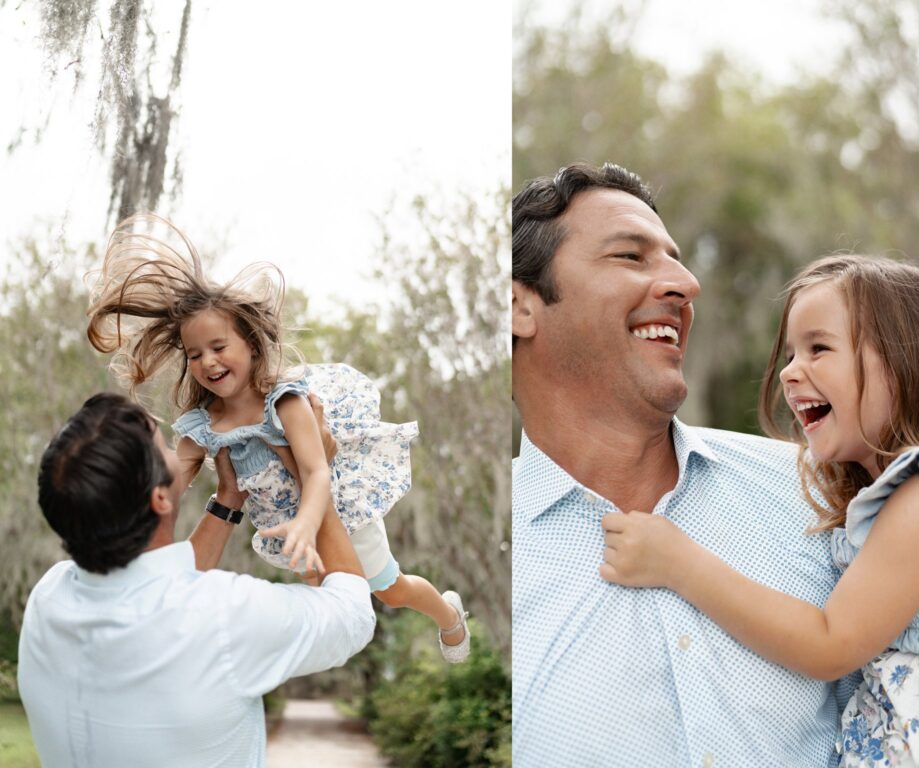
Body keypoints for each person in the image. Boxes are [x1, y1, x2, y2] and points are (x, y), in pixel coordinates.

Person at [602, 255, 919, 765]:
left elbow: (831, 644)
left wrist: (679, 564)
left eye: (819, 348)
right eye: (791, 353)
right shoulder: (899, 496)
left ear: (907, 363)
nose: (788, 372)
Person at [511, 162, 857, 767]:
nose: (685, 283)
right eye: (630, 256)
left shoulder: (822, 491)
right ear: (518, 307)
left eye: (675, 258)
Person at [85, 214, 470, 663]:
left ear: (249, 343)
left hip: (333, 512)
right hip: (286, 532)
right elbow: (170, 478)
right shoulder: (202, 425)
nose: (208, 362)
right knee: (328, 601)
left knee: (389, 589)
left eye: (218, 347)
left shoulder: (284, 402)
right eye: (194, 354)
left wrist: (308, 522)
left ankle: (448, 615)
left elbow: (315, 469)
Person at [19, 391, 375, 767]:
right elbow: (353, 612)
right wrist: (312, 474)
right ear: (159, 499)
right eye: (165, 447)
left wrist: (228, 500)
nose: (179, 450)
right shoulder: (226, 615)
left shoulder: (48, 599)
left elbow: (165, 592)